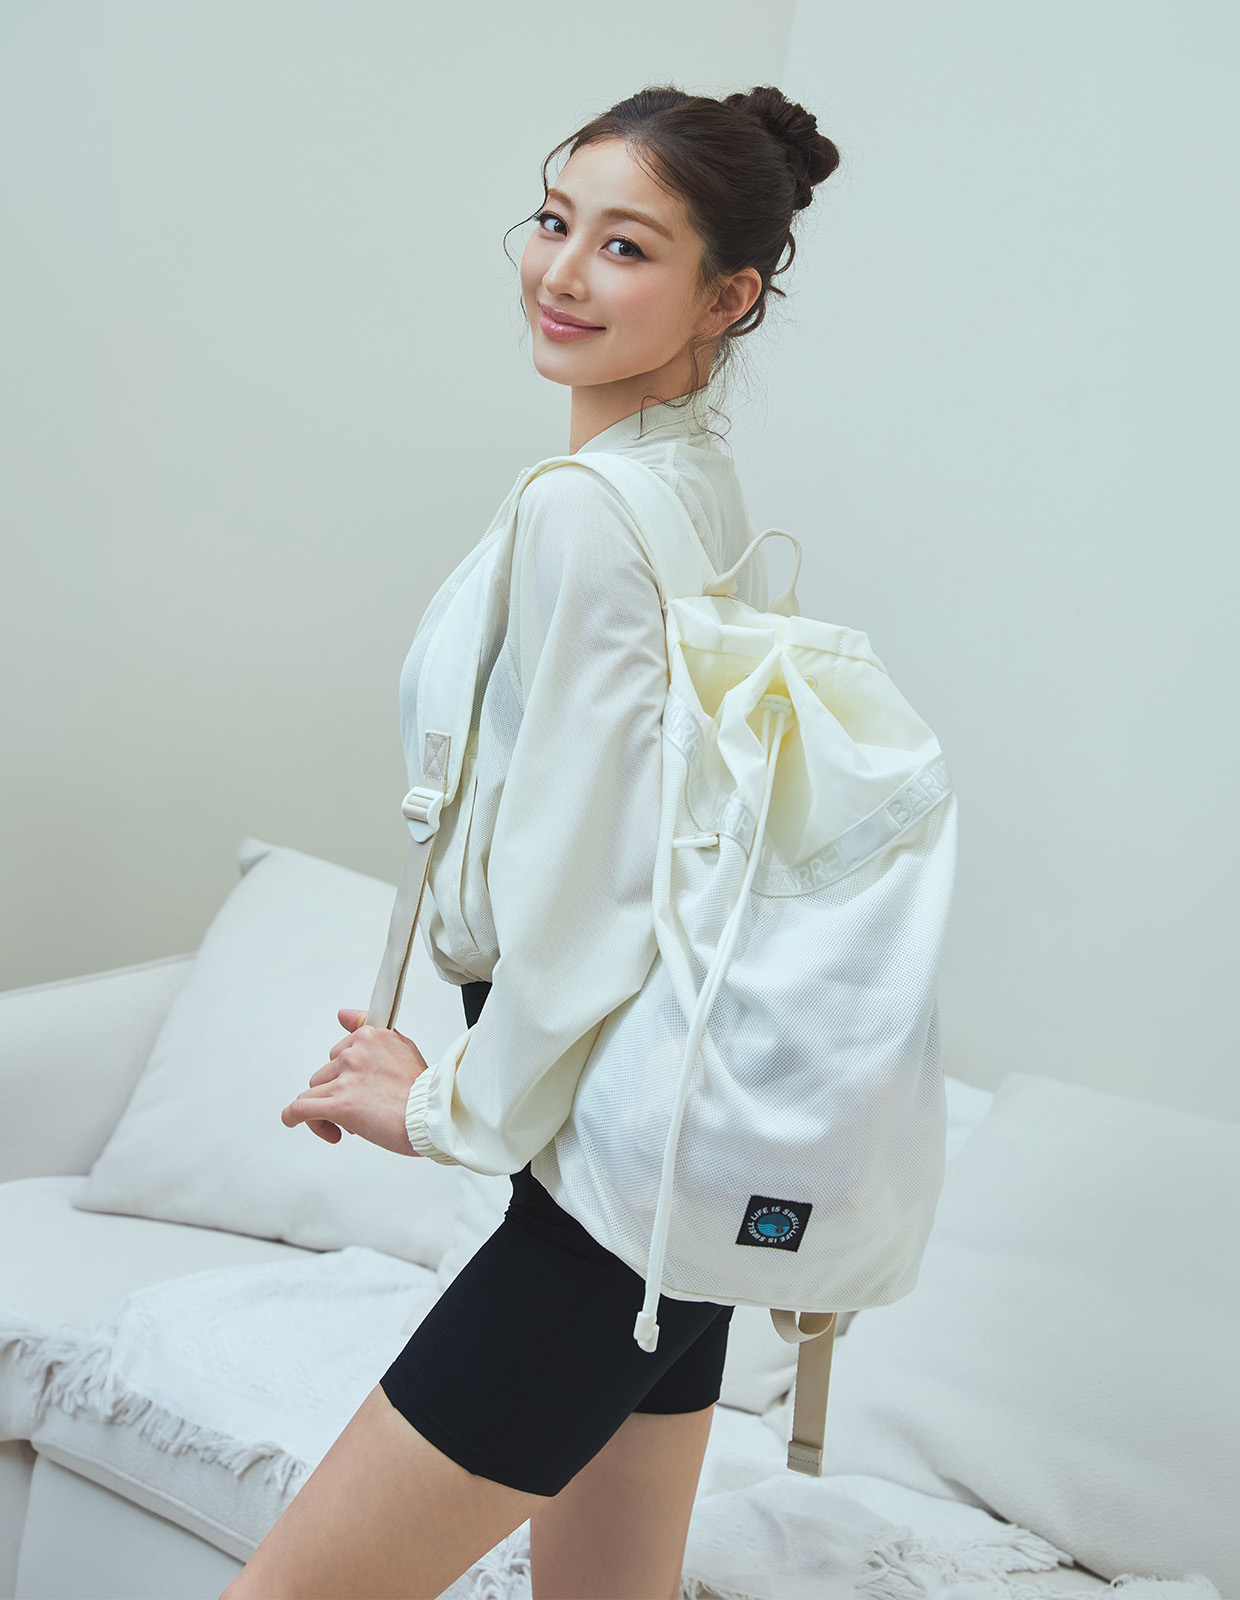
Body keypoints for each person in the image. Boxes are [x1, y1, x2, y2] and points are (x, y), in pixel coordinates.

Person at [223, 83, 838, 1600]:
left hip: (606, 1199)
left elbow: (597, 888)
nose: (561, 272)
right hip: (680, 1159)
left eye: (626, 246)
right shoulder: (697, 490)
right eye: (556, 221)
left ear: (728, 296)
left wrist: (447, 1103)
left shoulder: (587, 512)